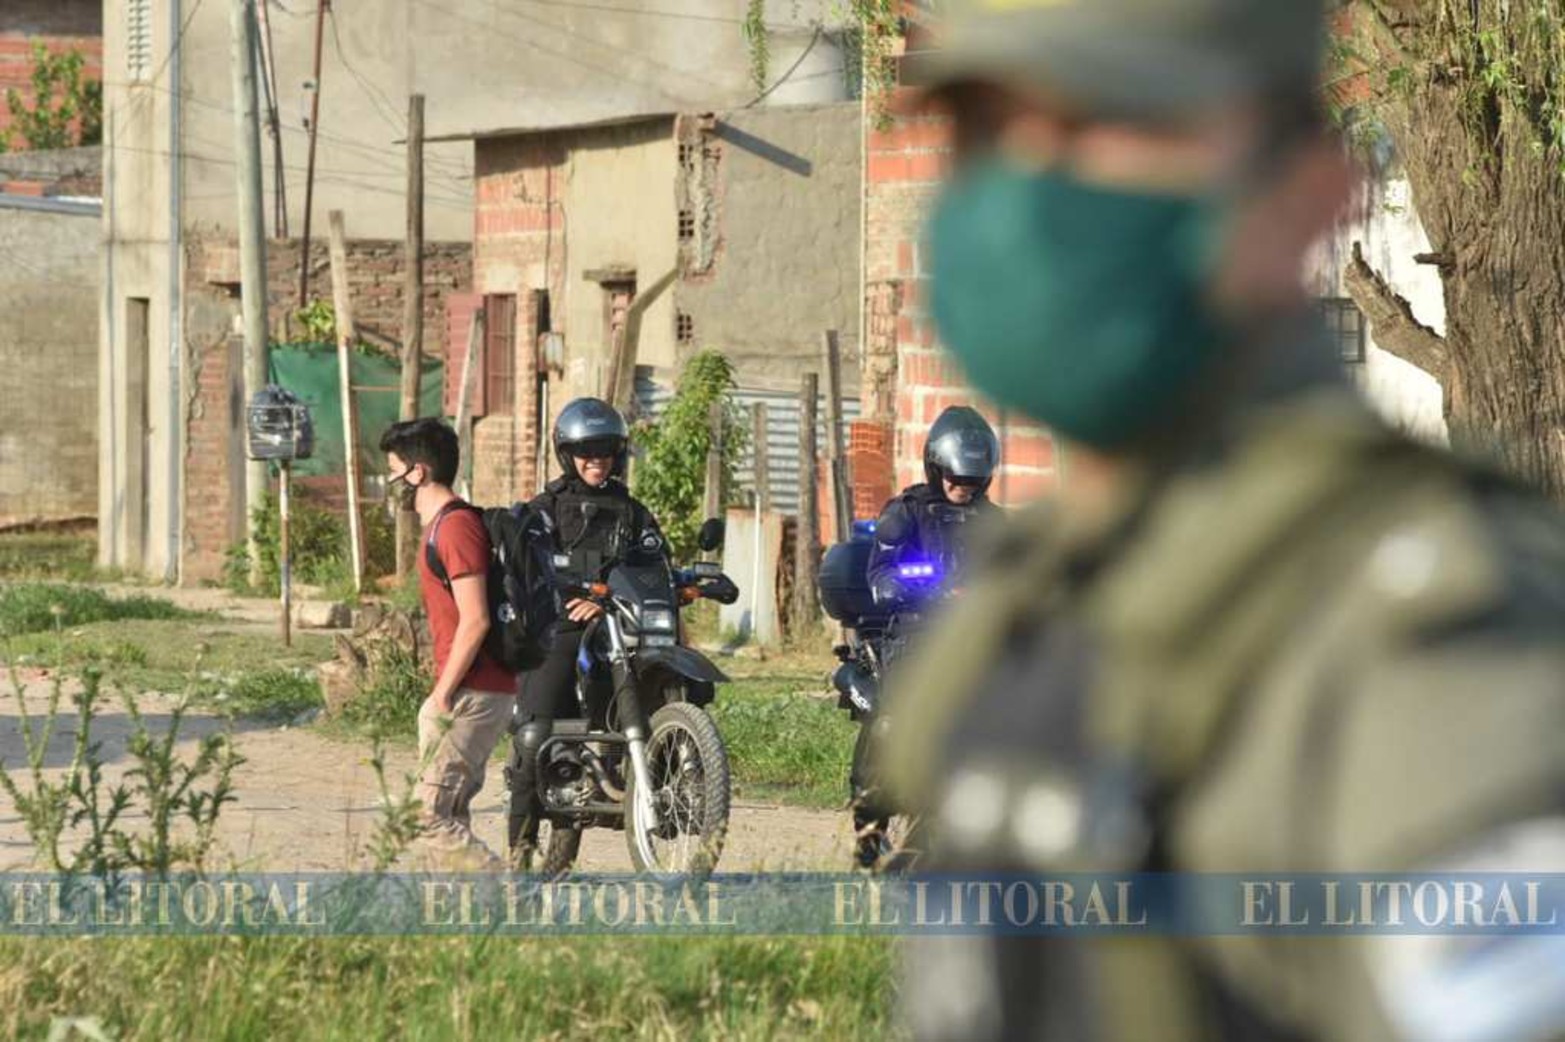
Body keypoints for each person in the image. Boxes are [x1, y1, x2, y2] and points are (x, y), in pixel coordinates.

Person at [878, 2, 1565, 1040]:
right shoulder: (1027, 598)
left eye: (1110, 119)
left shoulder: (1420, 637)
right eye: (987, 127)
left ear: (1313, 186)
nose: (1029, 189)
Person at [506, 397, 663, 864]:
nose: (597, 460)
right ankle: (521, 847)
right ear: (567, 455)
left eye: (606, 451)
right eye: (585, 452)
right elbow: (526, 564)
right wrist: (568, 593)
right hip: (564, 621)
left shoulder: (633, 513)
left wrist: (689, 581)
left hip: (622, 620)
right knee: (534, 731)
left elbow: (656, 559)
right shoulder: (545, 509)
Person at [850, 404, 1000, 867]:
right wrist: (913, 584)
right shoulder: (906, 513)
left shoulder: (996, 523)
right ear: (936, 468)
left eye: (972, 481)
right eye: (955, 478)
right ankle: (870, 823)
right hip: (913, 632)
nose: (963, 487)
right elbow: (879, 576)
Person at [380, 417, 516, 871]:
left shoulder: (455, 528)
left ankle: (514, 897)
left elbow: (475, 619)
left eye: (394, 471)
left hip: (472, 692)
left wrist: (442, 694)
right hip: (471, 689)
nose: (391, 483)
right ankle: (462, 909)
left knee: (427, 816)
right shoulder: (442, 525)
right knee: (450, 814)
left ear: (417, 473)